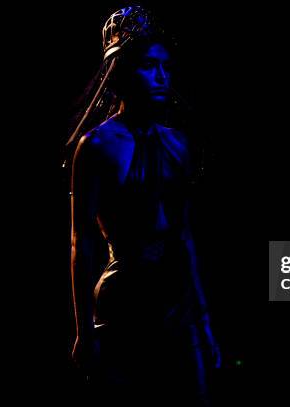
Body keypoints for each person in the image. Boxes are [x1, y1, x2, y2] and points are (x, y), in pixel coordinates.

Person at [67, 6, 220, 404]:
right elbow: (81, 243)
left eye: (164, 67)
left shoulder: (179, 142)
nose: (161, 78)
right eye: (148, 67)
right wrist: (84, 331)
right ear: (120, 73)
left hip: (176, 302)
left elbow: (184, 232)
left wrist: (202, 321)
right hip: (123, 304)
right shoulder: (97, 147)